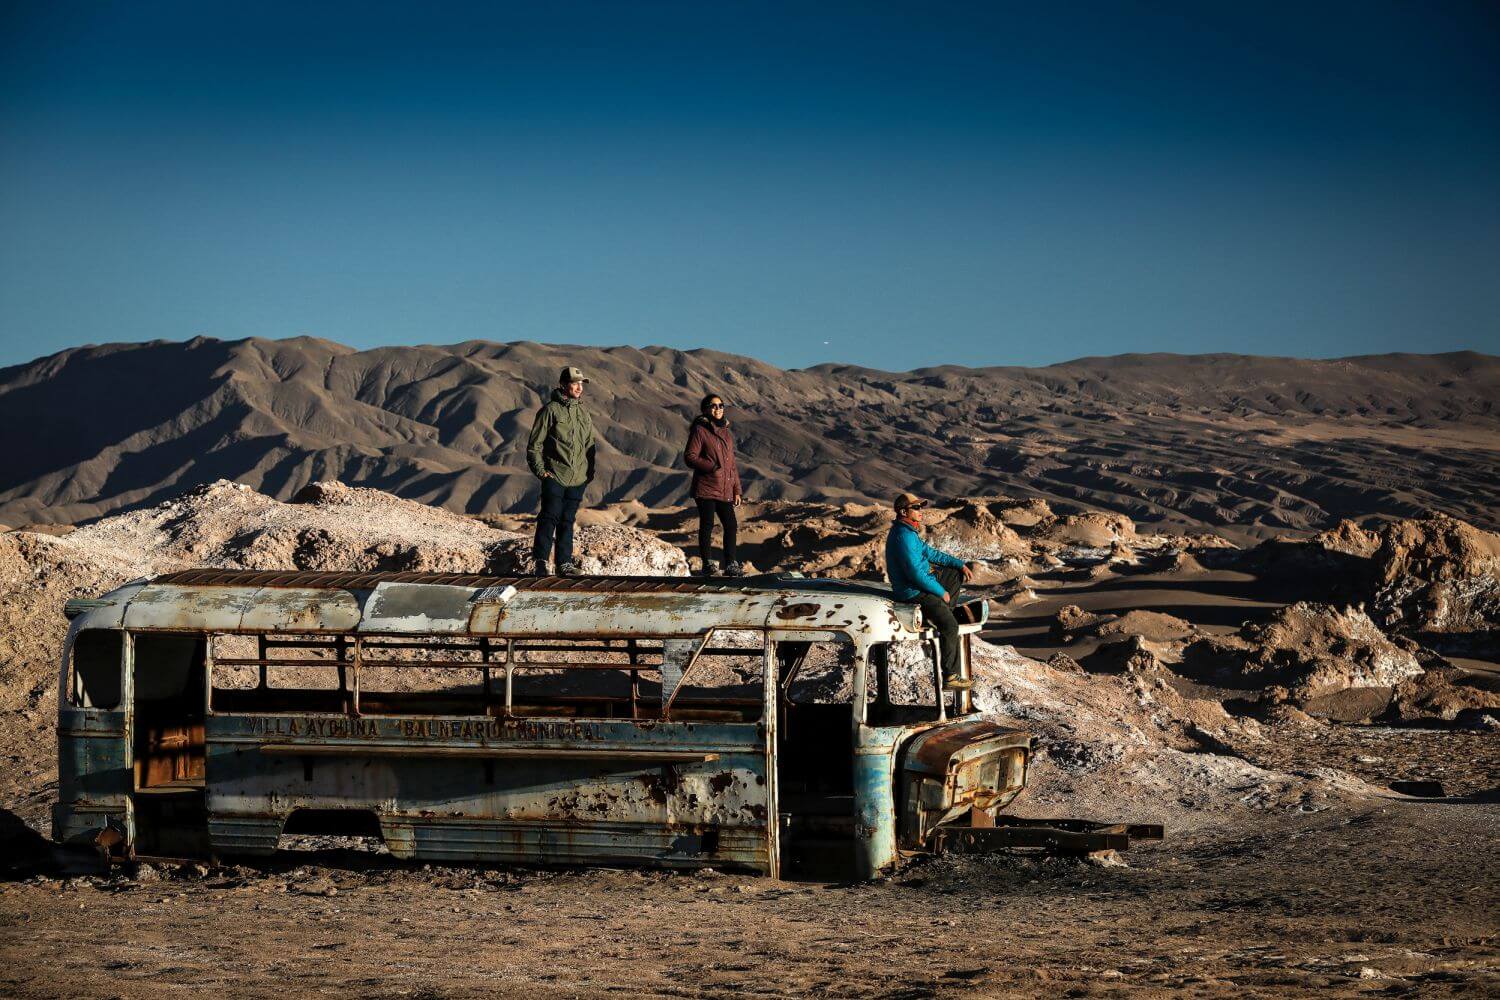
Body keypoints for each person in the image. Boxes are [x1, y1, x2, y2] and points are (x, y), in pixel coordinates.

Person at [884, 492, 974, 690]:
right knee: (951, 627)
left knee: (953, 573)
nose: (920, 511)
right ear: (903, 511)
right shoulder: (903, 537)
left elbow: (931, 553)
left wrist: (959, 564)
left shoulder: (909, 533)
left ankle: (940, 614)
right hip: (912, 592)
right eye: (916, 507)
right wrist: (941, 591)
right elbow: (915, 574)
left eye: (920, 507)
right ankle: (950, 676)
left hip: (921, 585)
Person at [526, 365, 596, 575]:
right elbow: (534, 446)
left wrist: (589, 473)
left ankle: (564, 564)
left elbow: (590, 444)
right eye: (575, 383)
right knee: (549, 518)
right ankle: (540, 561)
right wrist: (542, 472)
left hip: (578, 478)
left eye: (581, 384)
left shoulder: (583, 412)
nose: (579, 388)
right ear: (563, 385)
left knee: (568, 521)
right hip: (555, 475)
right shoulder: (550, 410)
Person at [683, 393, 743, 576]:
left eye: (721, 405)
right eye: (713, 406)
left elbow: (731, 463)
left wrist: (737, 489)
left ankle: (731, 563)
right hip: (707, 486)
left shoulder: (726, 432)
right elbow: (690, 456)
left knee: (731, 525)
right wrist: (712, 467)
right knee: (707, 524)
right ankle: (707, 563)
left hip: (725, 488)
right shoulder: (700, 430)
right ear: (705, 409)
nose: (718, 409)